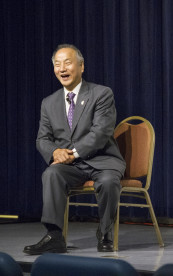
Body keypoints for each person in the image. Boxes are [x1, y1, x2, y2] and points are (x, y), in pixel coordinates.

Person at [23, 44, 126, 255]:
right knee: (51, 173)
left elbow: (101, 133)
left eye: (67, 63)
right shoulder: (48, 103)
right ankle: (55, 235)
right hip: (72, 166)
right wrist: (54, 153)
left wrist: (71, 153)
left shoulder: (101, 94)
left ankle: (105, 232)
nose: (62, 68)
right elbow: (42, 139)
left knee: (107, 182)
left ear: (81, 66)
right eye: (57, 64)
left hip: (102, 161)